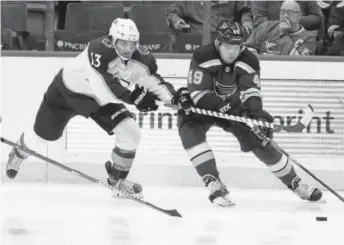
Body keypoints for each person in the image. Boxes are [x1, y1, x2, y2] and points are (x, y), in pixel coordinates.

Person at [5, 18, 175, 199]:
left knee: (130, 132)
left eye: (132, 43)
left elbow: (153, 81)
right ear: (112, 39)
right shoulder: (98, 49)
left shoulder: (140, 58)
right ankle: (19, 151)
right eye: (123, 43)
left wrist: (175, 98)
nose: (127, 48)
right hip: (65, 92)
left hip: (99, 101)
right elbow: (102, 87)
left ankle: (116, 181)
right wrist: (135, 98)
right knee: (43, 136)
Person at [172, 20, 322, 207]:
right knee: (189, 129)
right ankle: (213, 184)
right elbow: (200, 96)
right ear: (218, 43)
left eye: (237, 46)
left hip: (233, 107)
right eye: (228, 46)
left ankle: (296, 183)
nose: (233, 52)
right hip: (204, 107)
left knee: (260, 139)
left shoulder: (248, 60)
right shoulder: (202, 56)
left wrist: (256, 114)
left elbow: (251, 92)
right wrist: (225, 107)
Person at [245, 0, 317, 55]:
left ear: (299, 16)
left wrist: (284, 34)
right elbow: (248, 48)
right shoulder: (266, 26)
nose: (285, 16)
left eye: (289, 12)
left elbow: (298, 65)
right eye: (282, 12)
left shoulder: (309, 38)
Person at [166, 1, 253, 36]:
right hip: (198, 39)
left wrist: (246, 20)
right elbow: (172, 12)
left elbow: (245, 11)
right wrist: (176, 20)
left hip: (226, 39)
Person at [251, 0, 322, 31]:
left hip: (301, 36)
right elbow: (260, 21)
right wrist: (283, 24)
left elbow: (316, 17)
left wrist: (294, 21)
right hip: (271, 37)